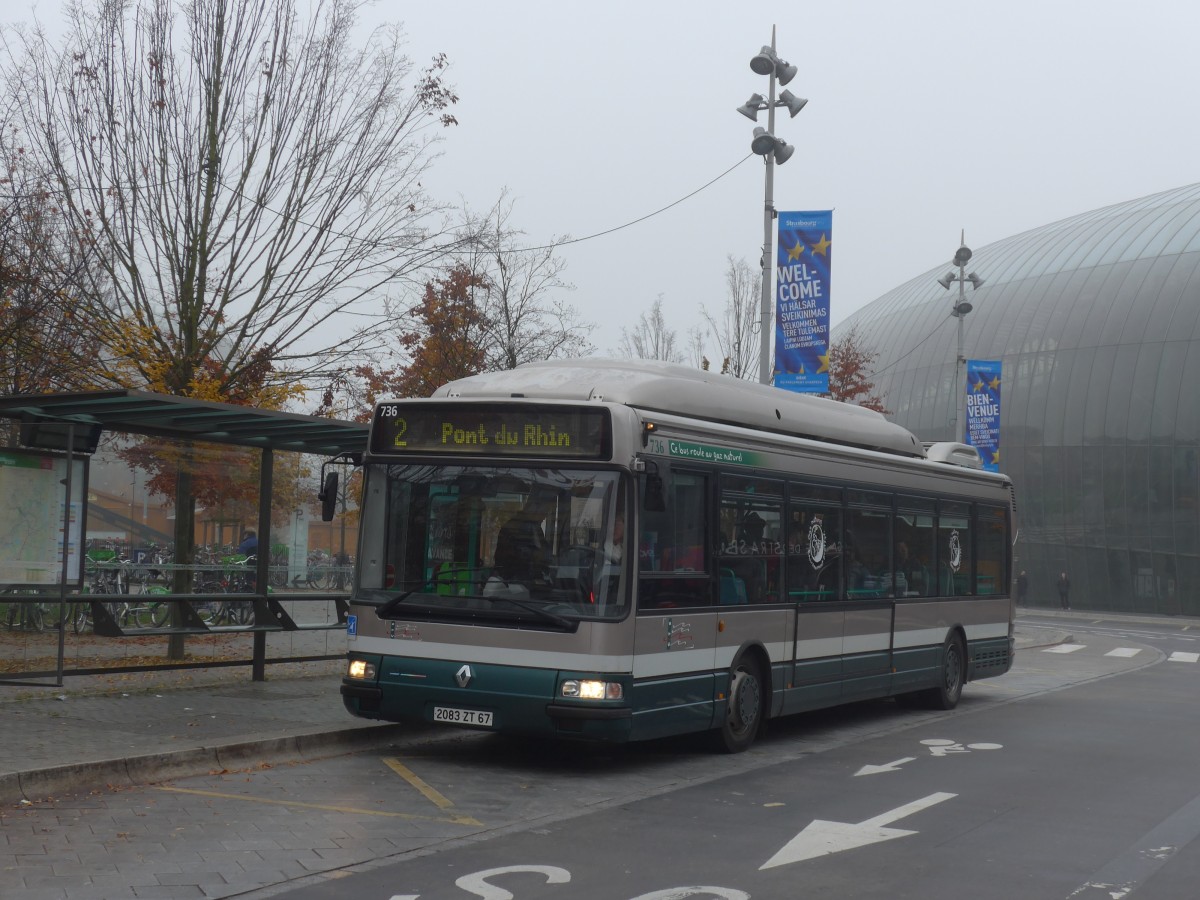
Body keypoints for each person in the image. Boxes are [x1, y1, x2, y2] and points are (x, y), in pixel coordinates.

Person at [493, 492, 555, 584]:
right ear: (534, 507)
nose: (545, 516)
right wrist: (535, 555)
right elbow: (507, 557)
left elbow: (544, 550)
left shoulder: (536, 528)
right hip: (514, 583)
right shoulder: (514, 526)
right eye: (545, 511)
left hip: (530, 582)